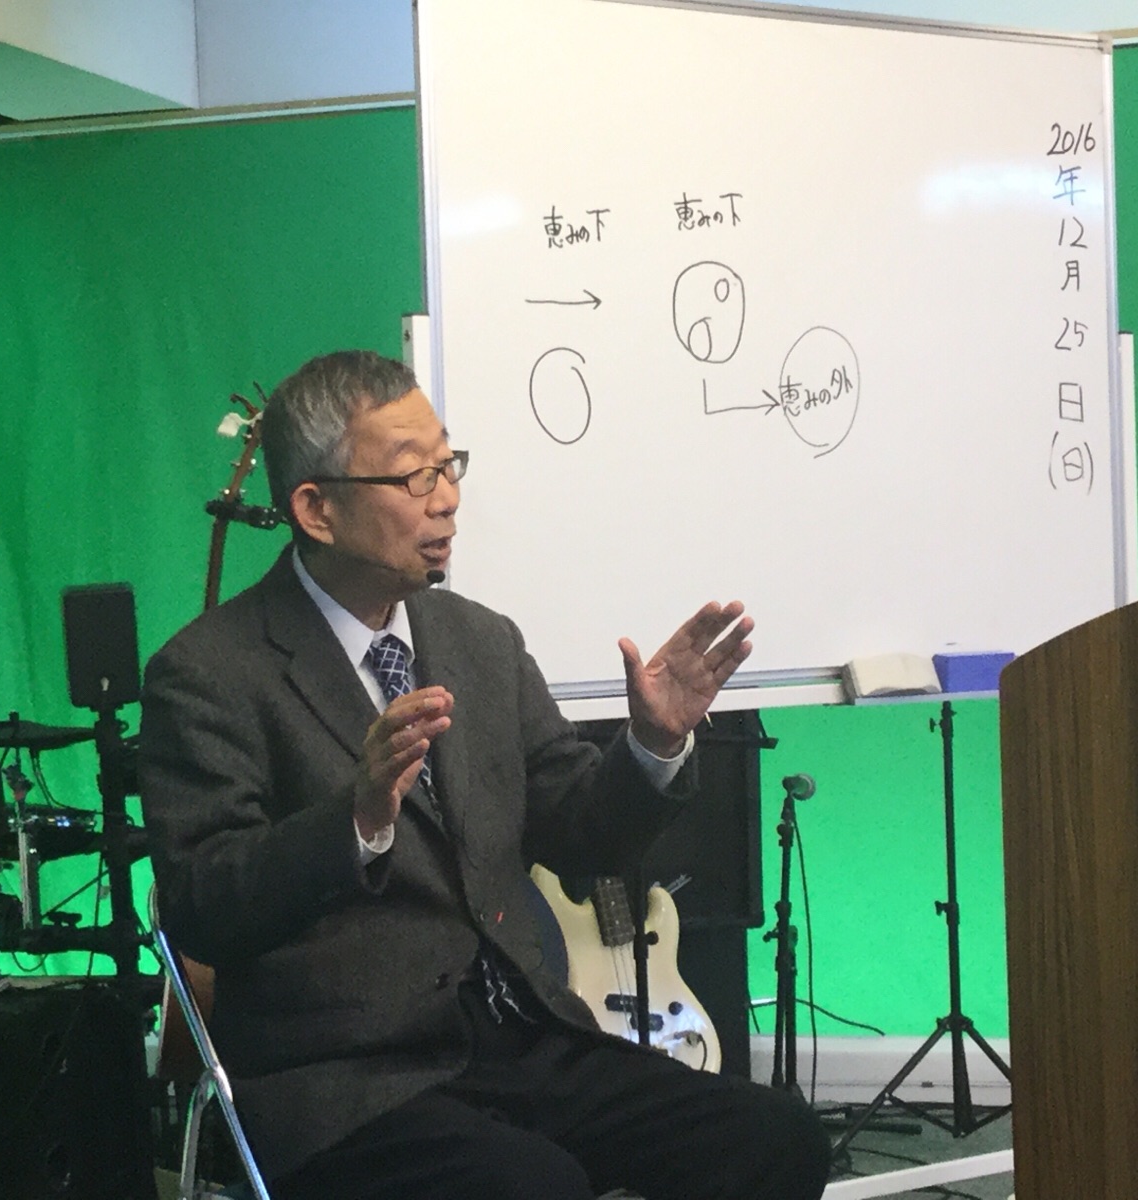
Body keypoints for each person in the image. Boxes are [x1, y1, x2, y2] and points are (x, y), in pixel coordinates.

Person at [140, 349, 831, 1200]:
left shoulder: (479, 640)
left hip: (524, 1039)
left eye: (449, 465)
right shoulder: (209, 672)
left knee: (774, 1138)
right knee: (533, 1186)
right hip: (350, 1079)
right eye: (414, 476)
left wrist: (652, 746)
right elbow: (204, 907)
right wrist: (355, 820)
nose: (447, 499)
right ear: (316, 509)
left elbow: (580, 834)